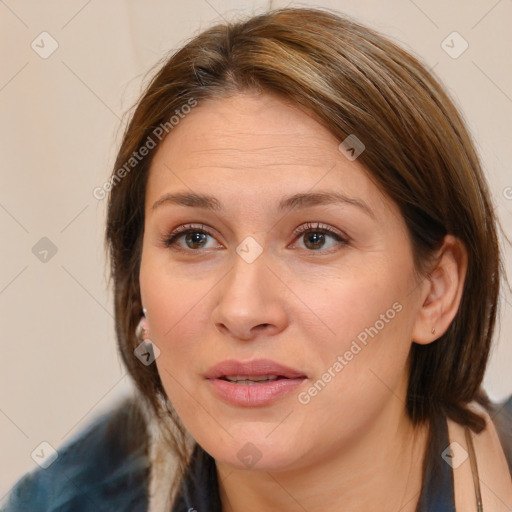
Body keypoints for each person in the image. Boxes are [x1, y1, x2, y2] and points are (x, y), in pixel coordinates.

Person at [5, 6, 512, 512]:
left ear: (435, 290)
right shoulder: (61, 500)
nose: (243, 311)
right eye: (195, 239)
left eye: (316, 239)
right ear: (138, 291)